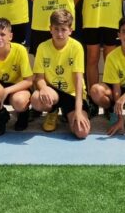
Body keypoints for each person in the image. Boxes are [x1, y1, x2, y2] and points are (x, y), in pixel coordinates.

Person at [29, 9, 91, 139]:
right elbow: (39, 77)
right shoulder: (42, 47)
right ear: (50, 29)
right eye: (56, 29)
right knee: (36, 99)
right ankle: (52, 111)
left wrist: (78, 111)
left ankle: (69, 113)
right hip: (53, 93)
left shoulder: (77, 47)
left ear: (70, 30)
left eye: (63, 29)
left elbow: (79, 80)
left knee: (82, 132)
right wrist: (44, 88)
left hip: (72, 95)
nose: (60, 33)